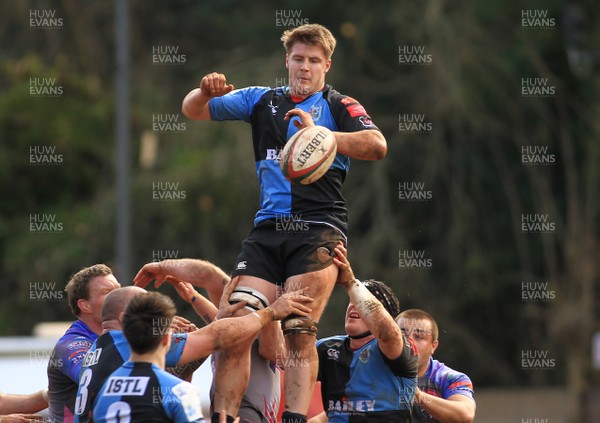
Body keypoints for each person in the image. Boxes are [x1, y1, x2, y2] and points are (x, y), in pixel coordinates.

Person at [181, 23, 387, 423]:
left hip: (320, 226)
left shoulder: (340, 105)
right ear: (286, 61)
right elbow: (193, 109)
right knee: (237, 323)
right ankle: (224, 417)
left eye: (313, 60)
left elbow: (377, 145)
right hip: (267, 228)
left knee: (298, 327)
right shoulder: (262, 100)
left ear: (327, 65)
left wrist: (326, 137)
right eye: (298, 59)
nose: (304, 67)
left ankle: (293, 417)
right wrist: (204, 91)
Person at [92, 287, 311, 423]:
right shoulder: (177, 391)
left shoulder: (105, 385)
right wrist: (271, 312)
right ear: (168, 341)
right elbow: (211, 339)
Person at [135, 259, 283, 423]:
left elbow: (271, 350)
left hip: (245, 411)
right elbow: (221, 327)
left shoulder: (259, 320)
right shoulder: (250, 320)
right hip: (236, 411)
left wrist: (273, 311)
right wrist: (194, 297)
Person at [308, 243, 418, 423]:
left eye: (360, 301)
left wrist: (350, 282)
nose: (354, 304)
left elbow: (388, 334)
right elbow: (279, 357)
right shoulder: (327, 347)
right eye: (352, 299)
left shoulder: (400, 347)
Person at [47, 264, 121, 423]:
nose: (118, 296)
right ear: (85, 305)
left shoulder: (125, 337)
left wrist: (167, 340)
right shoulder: (71, 344)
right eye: (108, 292)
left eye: (119, 290)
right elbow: (93, 377)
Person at [395, 309, 475, 423]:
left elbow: (465, 415)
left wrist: (418, 396)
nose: (409, 341)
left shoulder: (451, 378)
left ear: (433, 346)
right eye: (402, 334)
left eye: (419, 336)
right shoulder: (373, 370)